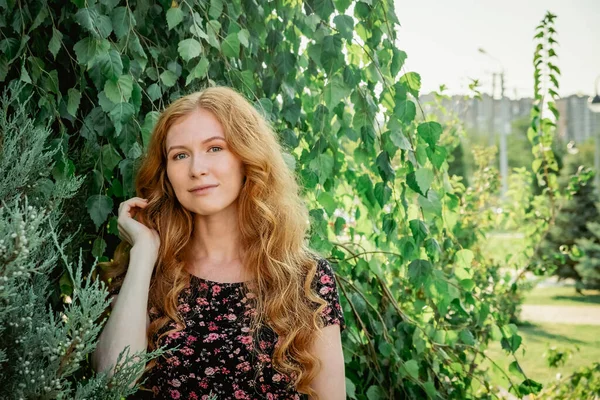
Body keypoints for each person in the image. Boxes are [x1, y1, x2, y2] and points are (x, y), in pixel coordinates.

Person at [91, 86, 346, 400]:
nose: (197, 168)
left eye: (215, 148)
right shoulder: (148, 271)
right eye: (180, 155)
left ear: (246, 156)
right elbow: (111, 381)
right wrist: (143, 251)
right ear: (166, 173)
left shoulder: (305, 277)